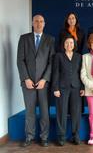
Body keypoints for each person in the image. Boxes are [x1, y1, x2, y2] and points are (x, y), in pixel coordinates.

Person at [17, 15, 55, 147]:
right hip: (28, 82)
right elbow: (20, 60)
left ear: (44, 24)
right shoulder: (24, 38)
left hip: (44, 83)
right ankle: (29, 136)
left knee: (45, 111)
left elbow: (51, 62)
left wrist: (44, 79)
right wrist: (26, 78)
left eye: (41, 21)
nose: (38, 23)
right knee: (30, 111)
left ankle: (44, 137)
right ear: (32, 23)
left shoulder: (50, 39)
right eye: (36, 21)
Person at [52, 35, 84, 146]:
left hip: (76, 87)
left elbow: (82, 73)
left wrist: (83, 88)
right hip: (62, 88)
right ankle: (61, 136)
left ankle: (76, 135)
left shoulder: (79, 56)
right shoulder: (58, 56)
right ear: (63, 45)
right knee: (61, 112)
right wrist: (55, 88)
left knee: (76, 113)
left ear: (74, 44)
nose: (69, 45)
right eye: (66, 43)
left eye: (71, 43)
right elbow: (55, 73)